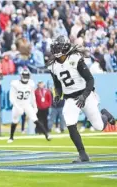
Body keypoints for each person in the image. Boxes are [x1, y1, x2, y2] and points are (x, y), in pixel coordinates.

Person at [47, 35, 115, 163]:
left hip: (86, 95)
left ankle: (105, 115)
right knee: (70, 123)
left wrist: (84, 96)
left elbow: (90, 79)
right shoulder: (53, 66)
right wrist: (57, 94)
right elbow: (57, 84)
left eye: (58, 48)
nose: (56, 51)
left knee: (99, 126)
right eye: (55, 48)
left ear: (65, 47)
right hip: (70, 99)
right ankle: (82, 154)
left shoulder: (75, 59)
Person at [8, 69, 51, 143]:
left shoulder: (31, 84)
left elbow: (33, 96)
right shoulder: (15, 84)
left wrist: (35, 106)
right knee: (15, 121)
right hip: (17, 104)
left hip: (26, 104)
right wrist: (17, 107)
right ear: (21, 76)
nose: (25, 77)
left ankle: (47, 135)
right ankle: (11, 137)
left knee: (35, 119)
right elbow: (11, 98)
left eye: (27, 75)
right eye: (24, 75)